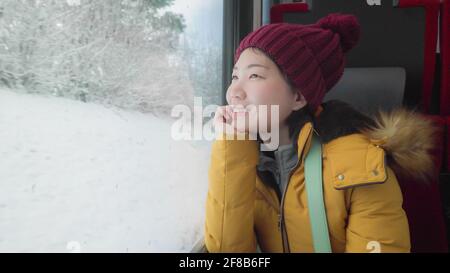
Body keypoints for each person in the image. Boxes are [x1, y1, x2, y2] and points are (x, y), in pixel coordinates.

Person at [204, 13, 437, 253]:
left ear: (298, 96)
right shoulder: (244, 160)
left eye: (254, 75)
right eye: (234, 76)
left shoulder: (361, 164)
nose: (234, 91)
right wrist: (232, 143)